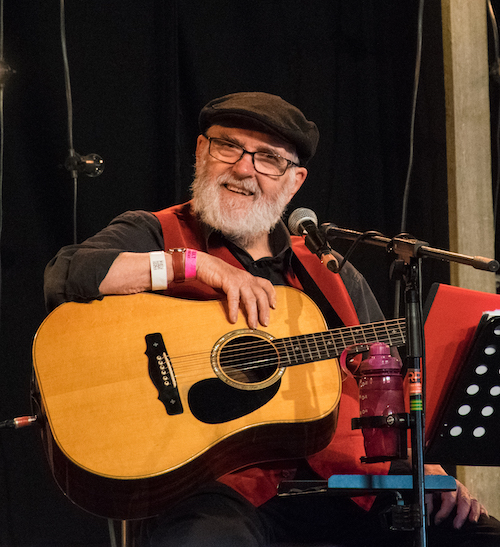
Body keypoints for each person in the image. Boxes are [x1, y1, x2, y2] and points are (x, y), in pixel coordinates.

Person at [44, 92, 499, 546]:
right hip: (219, 487)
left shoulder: (330, 268)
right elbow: (67, 275)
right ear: (202, 151)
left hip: (348, 480)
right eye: (229, 147)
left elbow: (387, 377)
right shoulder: (156, 230)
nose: (244, 169)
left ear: (295, 181)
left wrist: (424, 463)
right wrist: (197, 266)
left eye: (268, 159)